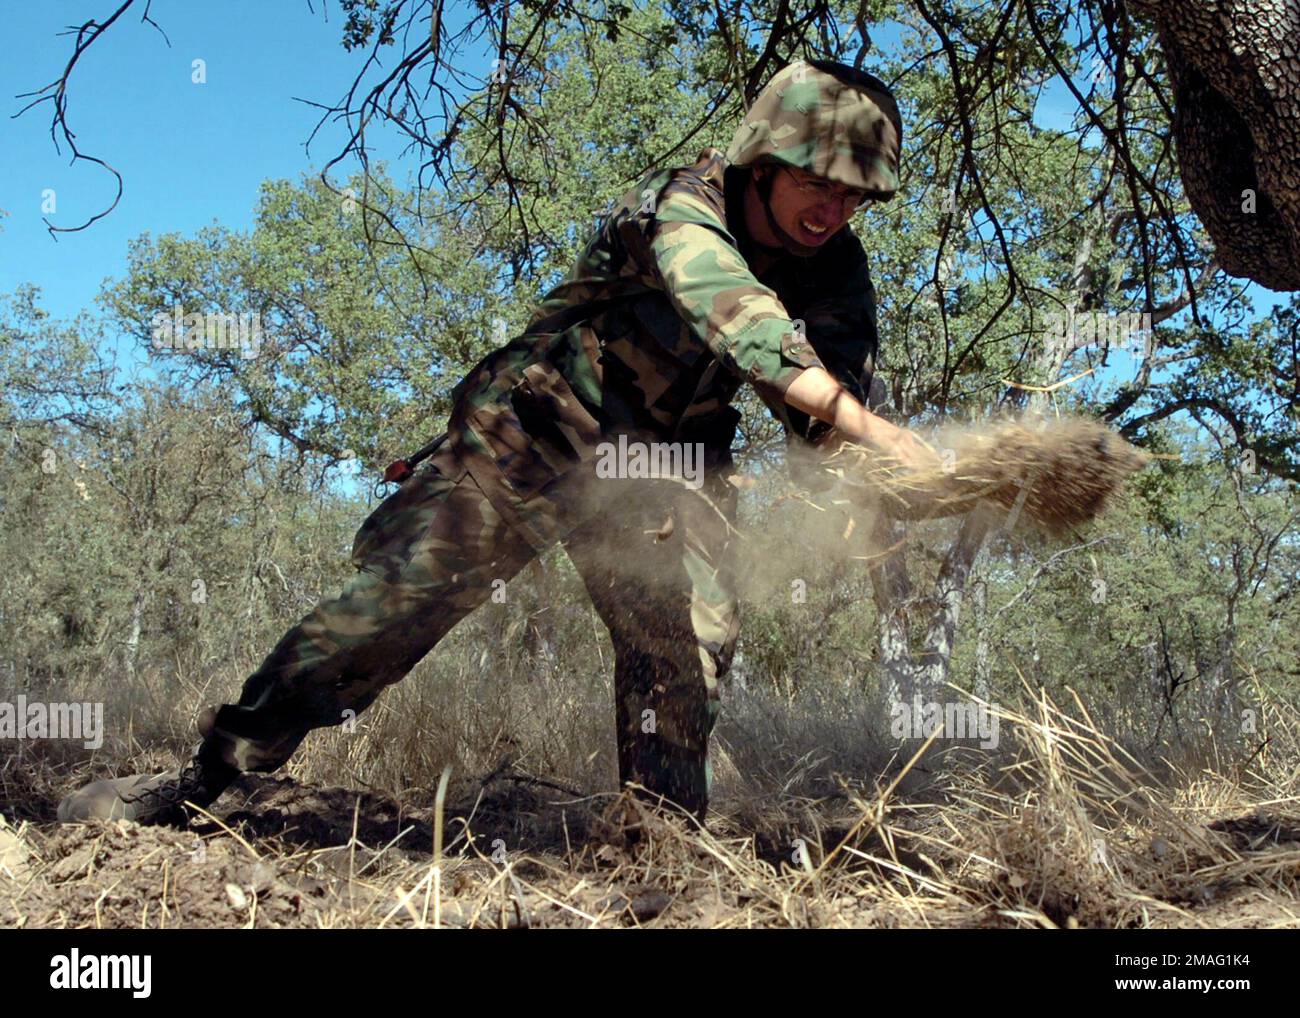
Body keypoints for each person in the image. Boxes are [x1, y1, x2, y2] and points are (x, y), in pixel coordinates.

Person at [57, 57, 938, 827]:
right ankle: (207, 778)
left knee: (686, 657)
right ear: (765, 158)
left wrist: (879, 492)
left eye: (856, 195)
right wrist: (877, 432)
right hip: (531, 440)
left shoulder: (838, 268)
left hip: (665, 476)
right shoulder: (679, 209)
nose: (835, 209)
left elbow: (826, 409)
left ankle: (660, 840)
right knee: (382, 618)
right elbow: (750, 333)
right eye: (819, 183)